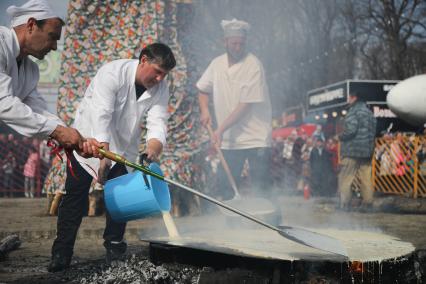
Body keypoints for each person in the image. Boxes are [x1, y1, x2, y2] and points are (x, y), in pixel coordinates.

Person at [48, 43, 176, 272]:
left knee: (120, 200)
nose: (159, 78)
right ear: (143, 60)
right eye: (157, 71)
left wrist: (153, 150)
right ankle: (62, 252)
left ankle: (115, 249)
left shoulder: (161, 87)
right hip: (88, 142)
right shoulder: (112, 73)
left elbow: (158, 123)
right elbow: (102, 114)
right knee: (75, 196)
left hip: (124, 146)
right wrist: (102, 155)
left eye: (163, 74)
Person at [1, 0, 100, 157]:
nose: (54, 47)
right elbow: (3, 104)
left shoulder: (30, 70)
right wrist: (58, 131)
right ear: (31, 26)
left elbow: (37, 111)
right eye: (52, 36)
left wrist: (77, 138)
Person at [197, 18, 272, 200]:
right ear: (225, 42)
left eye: (241, 43)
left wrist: (220, 129)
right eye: (234, 43)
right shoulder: (216, 64)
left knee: (262, 185)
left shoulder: (254, 65)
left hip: (256, 137)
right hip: (230, 139)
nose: (238, 47)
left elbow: (245, 105)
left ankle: (272, 223)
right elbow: (202, 89)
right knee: (227, 187)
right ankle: (232, 225)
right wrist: (205, 110)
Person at [337, 91, 377, 210]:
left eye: (348, 97)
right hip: (367, 151)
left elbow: (351, 131)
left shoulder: (353, 112)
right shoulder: (370, 113)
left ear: (354, 98)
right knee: (366, 178)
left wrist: (339, 136)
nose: (347, 100)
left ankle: (344, 204)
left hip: (352, 151)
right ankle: (368, 203)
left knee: (346, 177)